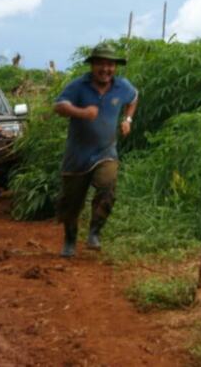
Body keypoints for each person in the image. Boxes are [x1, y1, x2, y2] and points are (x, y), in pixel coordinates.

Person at [53, 43, 138, 257]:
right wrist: (82, 112)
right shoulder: (78, 86)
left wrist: (127, 119)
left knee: (107, 187)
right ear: (92, 66)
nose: (105, 69)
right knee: (71, 203)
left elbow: (134, 97)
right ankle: (70, 240)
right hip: (77, 156)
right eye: (101, 64)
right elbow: (59, 107)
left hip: (106, 152)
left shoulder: (122, 86)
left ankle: (94, 232)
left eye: (110, 65)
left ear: (115, 67)